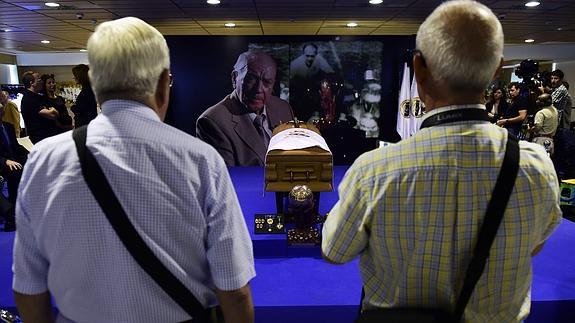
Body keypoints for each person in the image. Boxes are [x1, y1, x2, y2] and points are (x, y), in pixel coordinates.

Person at [321, 1, 562, 322]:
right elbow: (534, 246)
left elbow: (335, 251)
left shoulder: (374, 170)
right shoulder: (537, 168)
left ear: (419, 70)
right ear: (495, 71)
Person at [13, 17, 255, 323]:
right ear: (163, 84)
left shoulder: (44, 160)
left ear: (96, 86)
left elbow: (28, 287)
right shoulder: (201, 159)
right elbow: (235, 289)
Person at [196, 50, 294, 166]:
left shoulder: (283, 108)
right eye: (251, 79)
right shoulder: (213, 122)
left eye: (267, 82)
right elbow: (226, 180)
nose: (258, 89)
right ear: (234, 78)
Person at [0, 103, 28, 231]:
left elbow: (16, 146)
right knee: (15, 172)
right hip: (3, 163)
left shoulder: (8, 126)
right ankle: (11, 212)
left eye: (1, 110)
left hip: (14, 160)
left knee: (29, 167)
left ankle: (20, 208)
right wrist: (5, 161)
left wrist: (32, 154)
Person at [290, 43, 336, 121]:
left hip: (314, 89)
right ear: (303, 54)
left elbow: (331, 74)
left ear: (316, 55)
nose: (310, 59)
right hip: (299, 91)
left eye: (312, 56)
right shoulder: (295, 65)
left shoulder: (320, 60)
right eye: (307, 56)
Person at [20, 71, 61, 143]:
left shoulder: (37, 97)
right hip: (41, 138)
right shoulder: (29, 99)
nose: (41, 82)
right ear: (31, 83)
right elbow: (53, 115)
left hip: (47, 137)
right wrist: (54, 110)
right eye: (39, 79)